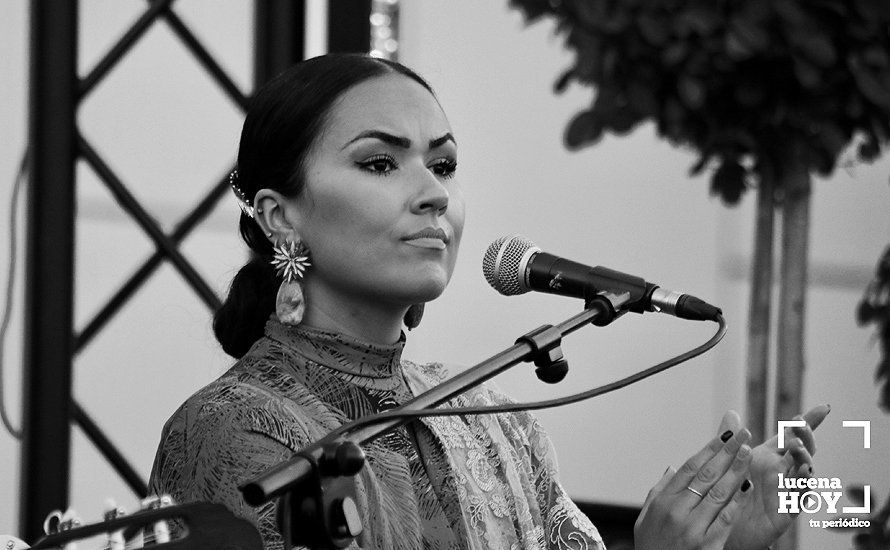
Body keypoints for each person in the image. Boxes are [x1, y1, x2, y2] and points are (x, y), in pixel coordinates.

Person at [149, 53, 828, 550]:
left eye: (442, 165)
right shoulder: (233, 429)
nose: (435, 194)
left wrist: (724, 542)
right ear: (278, 215)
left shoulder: (496, 422)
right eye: (380, 163)